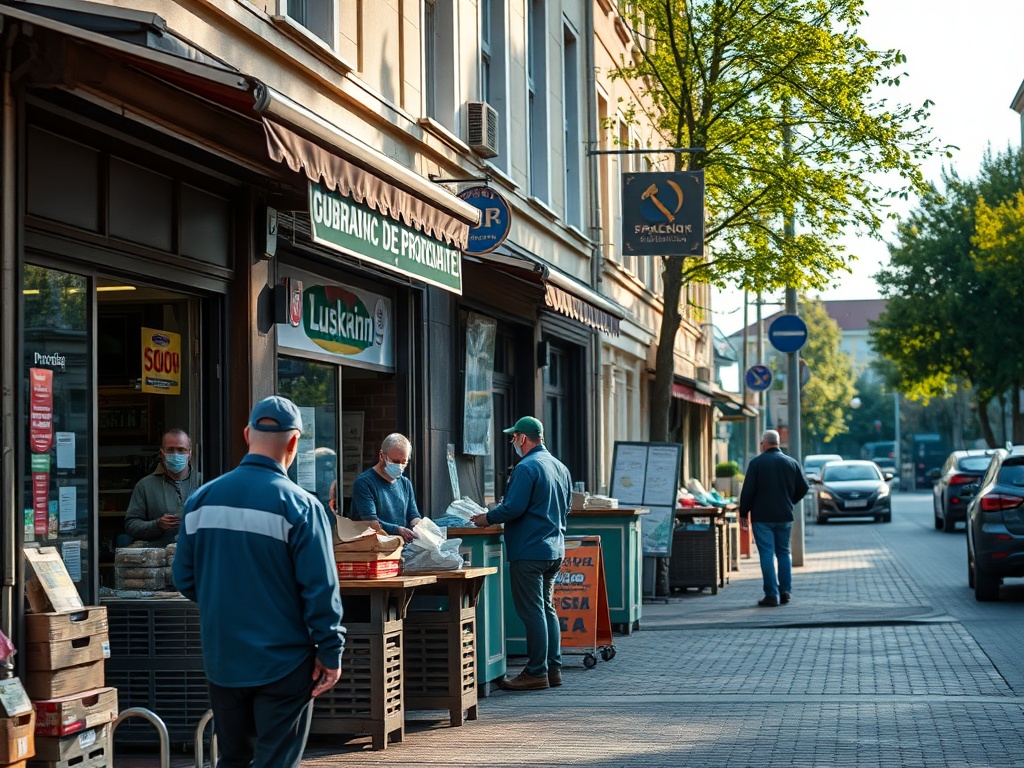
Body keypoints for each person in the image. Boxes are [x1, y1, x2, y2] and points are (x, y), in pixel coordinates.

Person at [172, 396, 345, 768]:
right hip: (285, 661)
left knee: (233, 758)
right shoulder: (301, 506)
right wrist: (331, 650)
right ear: (294, 442)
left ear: (247, 434)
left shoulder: (201, 501)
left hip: (223, 659)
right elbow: (320, 590)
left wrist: (227, 600)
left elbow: (184, 578)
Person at [470, 416, 572, 691]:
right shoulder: (560, 467)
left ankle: (536, 672)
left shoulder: (526, 467)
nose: (513, 442)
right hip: (554, 549)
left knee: (532, 610)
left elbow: (513, 507)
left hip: (529, 550)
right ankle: (553, 669)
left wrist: (487, 518)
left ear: (523, 438)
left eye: (514, 437)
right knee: (546, 608)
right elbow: (567, 508)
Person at [739, 429, 809, 607]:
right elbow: (804, 487)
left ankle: (771, 594)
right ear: (778, 443)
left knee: (766, 554)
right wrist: (790, 501)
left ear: (763, 444)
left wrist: (743, 513)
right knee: (784, 552)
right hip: (784, 515)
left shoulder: (756, 463)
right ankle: (785, 591)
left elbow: (748, 491)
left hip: (762, 517)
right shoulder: (791, 462)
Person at [124, 428, 202, 547]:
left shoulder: (204, 482)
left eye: (181, 450)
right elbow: (131, 526)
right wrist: (157, 525)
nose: (175, 454)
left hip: (197, 553)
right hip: (158, 555)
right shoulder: (145, 486)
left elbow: (219, 520)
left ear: (189, 454)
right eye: (170, 450)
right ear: (162, 453)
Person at [350, 433, 421, 542]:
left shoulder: (405, 483)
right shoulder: (364, 483)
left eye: (404, 462)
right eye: (395, 461)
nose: (399, 466)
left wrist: (420, 528)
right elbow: (370, 522)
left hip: (400, 546)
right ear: (381, 456)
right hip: (374, 546)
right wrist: (398, 530)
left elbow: (413, 515)